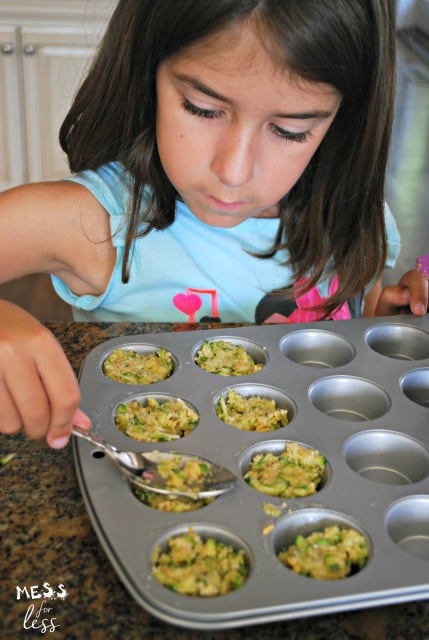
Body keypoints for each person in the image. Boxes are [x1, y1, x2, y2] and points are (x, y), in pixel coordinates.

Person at [0, 0, 427, 449]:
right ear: (147, 71)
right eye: (203, 108)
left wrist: (388, 323)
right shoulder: (96, 222)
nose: (234, 171)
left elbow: (355, 308)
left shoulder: (353, 217)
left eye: (290, 131)